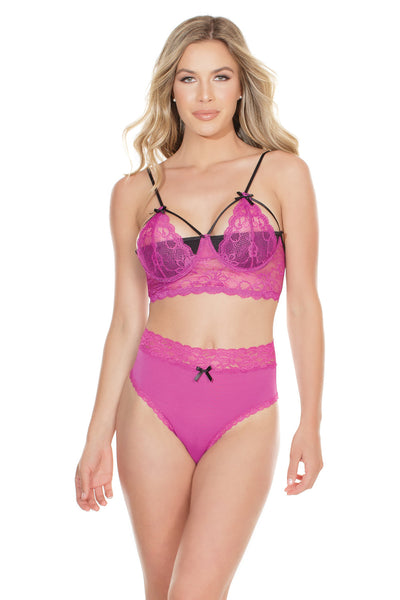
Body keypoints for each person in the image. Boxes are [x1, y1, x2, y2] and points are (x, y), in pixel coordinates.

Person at [75, 15, 324, 600]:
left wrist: (311, 422)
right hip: (151, 404)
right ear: (171, 89)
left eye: (220, 77)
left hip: (246, 408)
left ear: (242, 86)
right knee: (161, 592)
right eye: (189, 79)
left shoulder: (283, 173)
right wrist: (97, 436)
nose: (205, 95)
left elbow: (304, 306)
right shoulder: (135, 191)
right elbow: (126, 320)